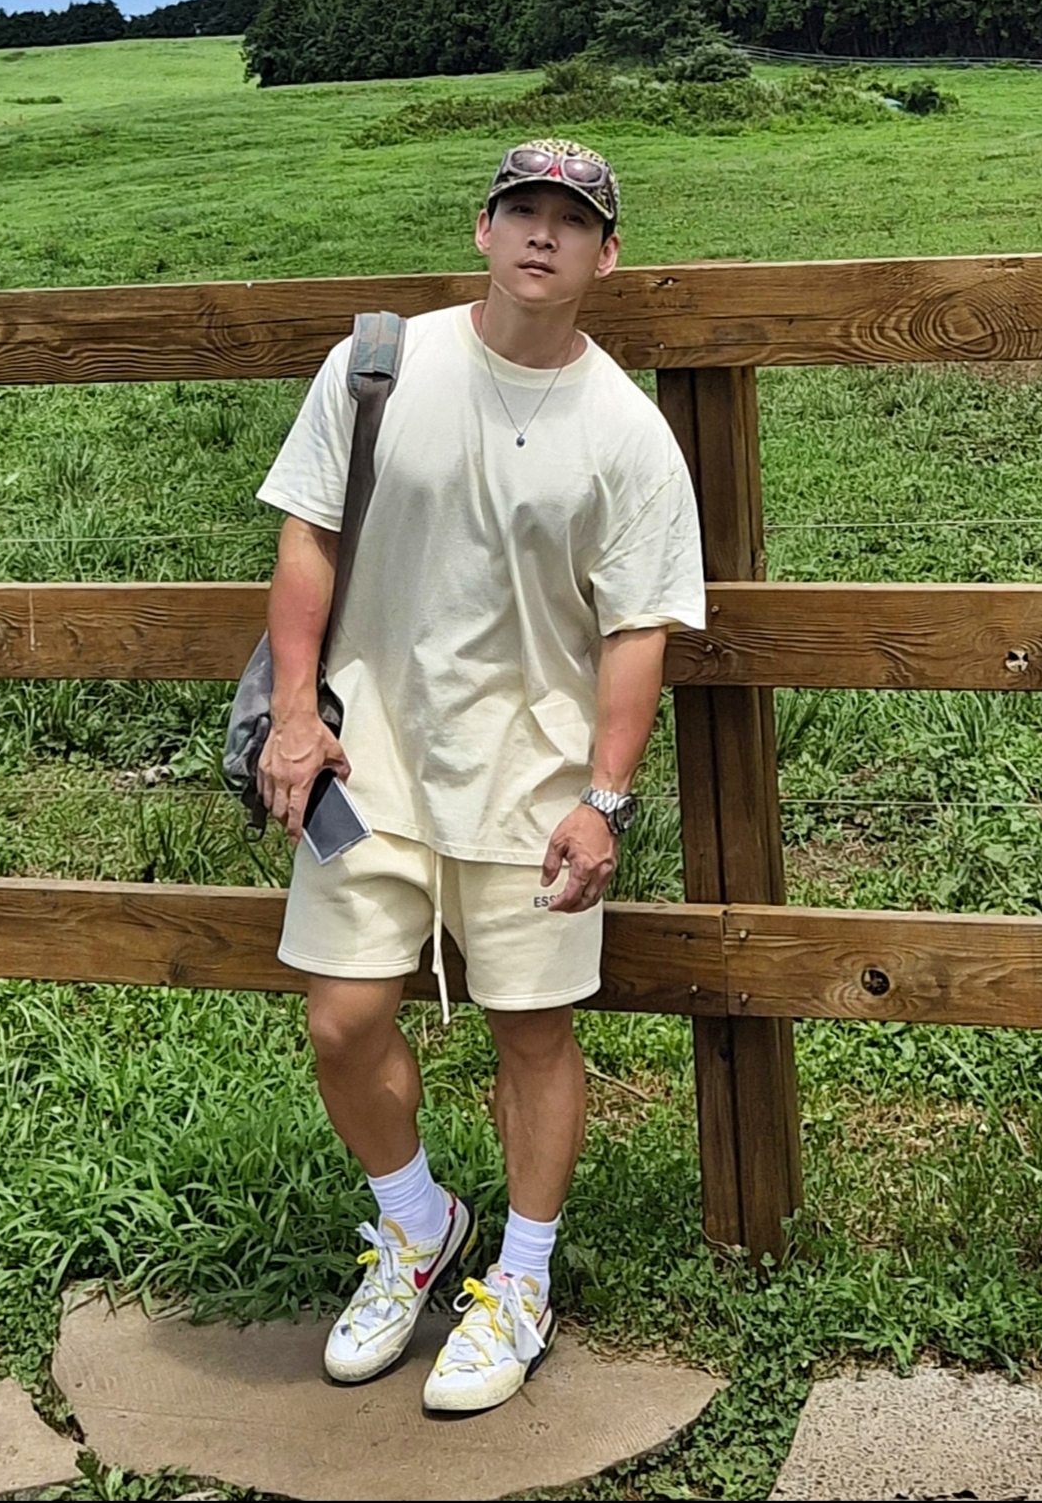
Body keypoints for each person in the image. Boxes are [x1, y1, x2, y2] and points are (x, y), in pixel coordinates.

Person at [254, 139, 704, 1415]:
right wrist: (296, 713)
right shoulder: (380, 367)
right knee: (341, 1018)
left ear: (607, 256)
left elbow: (636, 630)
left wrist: (603, 794)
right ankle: (414, 1227)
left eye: (573, 220)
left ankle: (520, 1276)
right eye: (523, 211)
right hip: (368, 760)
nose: (543, 236)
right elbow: (309, 535)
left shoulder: (625, 431)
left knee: (531, 1032)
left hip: (530, 784)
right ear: (483, 230)